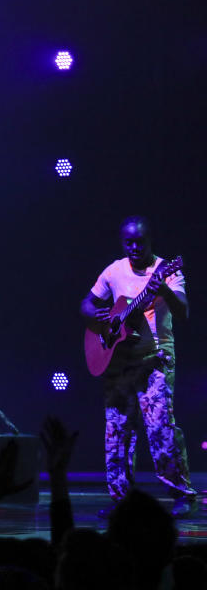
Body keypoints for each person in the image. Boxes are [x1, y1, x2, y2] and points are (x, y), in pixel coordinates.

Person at [80, 216, 196, 518]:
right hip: (119, 360)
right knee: (116, 432)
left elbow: (183, 312)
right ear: (122, 242)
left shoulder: (168, 270)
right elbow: (86, 305)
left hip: (154, 356)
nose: (134, 247)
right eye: (129, 242)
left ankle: (182, 495)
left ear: (150, 241)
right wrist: (103, 317)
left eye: (140, 242)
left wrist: (164, 290)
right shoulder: (113, 270)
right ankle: (122, 500)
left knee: (161, 429)